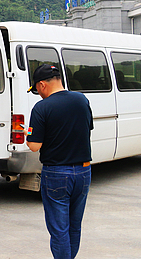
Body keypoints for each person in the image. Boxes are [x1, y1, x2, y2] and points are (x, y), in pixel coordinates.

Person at [26, 64, 93, 259]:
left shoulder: (42, 107)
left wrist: (28, 135)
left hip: (56, 174)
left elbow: (34, 146)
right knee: (74, 226)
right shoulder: (81, 100)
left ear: (42, 85)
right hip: (83, 172)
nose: (38, 94)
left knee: (59, 230)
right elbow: (86, 129)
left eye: (37, 89)